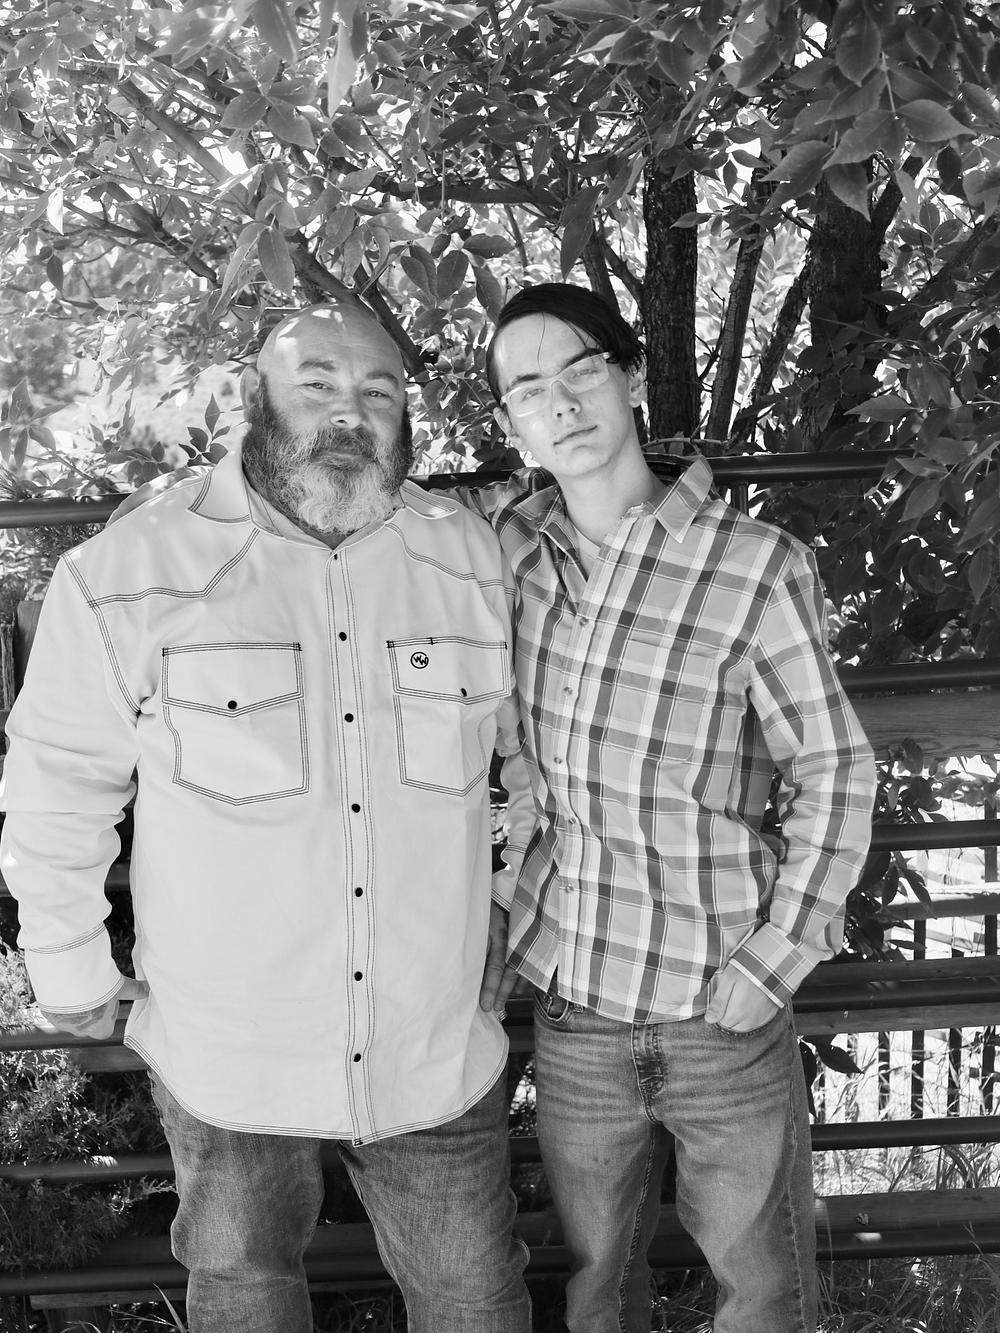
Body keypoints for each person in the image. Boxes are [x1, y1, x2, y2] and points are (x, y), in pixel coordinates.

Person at [0, 302, 534, 1333]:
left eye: (379, 392)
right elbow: (57, 780)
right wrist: (68, 968)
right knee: (245, 1295)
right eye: (318, 384)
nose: (350, 413)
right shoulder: (129, 570)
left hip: (430, 1040)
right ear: (255, 399)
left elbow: (531, 757)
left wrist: (509, 903)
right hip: (227, 1053)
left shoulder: (465, 556)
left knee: (475, 1300)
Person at [466, 283, 877, 1333]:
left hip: (718, 998)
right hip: (574, 1000)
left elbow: (833, 767)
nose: (561, 404)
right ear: (510, 421)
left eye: (582, 370)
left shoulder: (754, 566)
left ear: (632, 375)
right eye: (528, 390)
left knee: (763, 1289)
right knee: (596, 1286)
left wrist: (777, 956)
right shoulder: (504, 553)